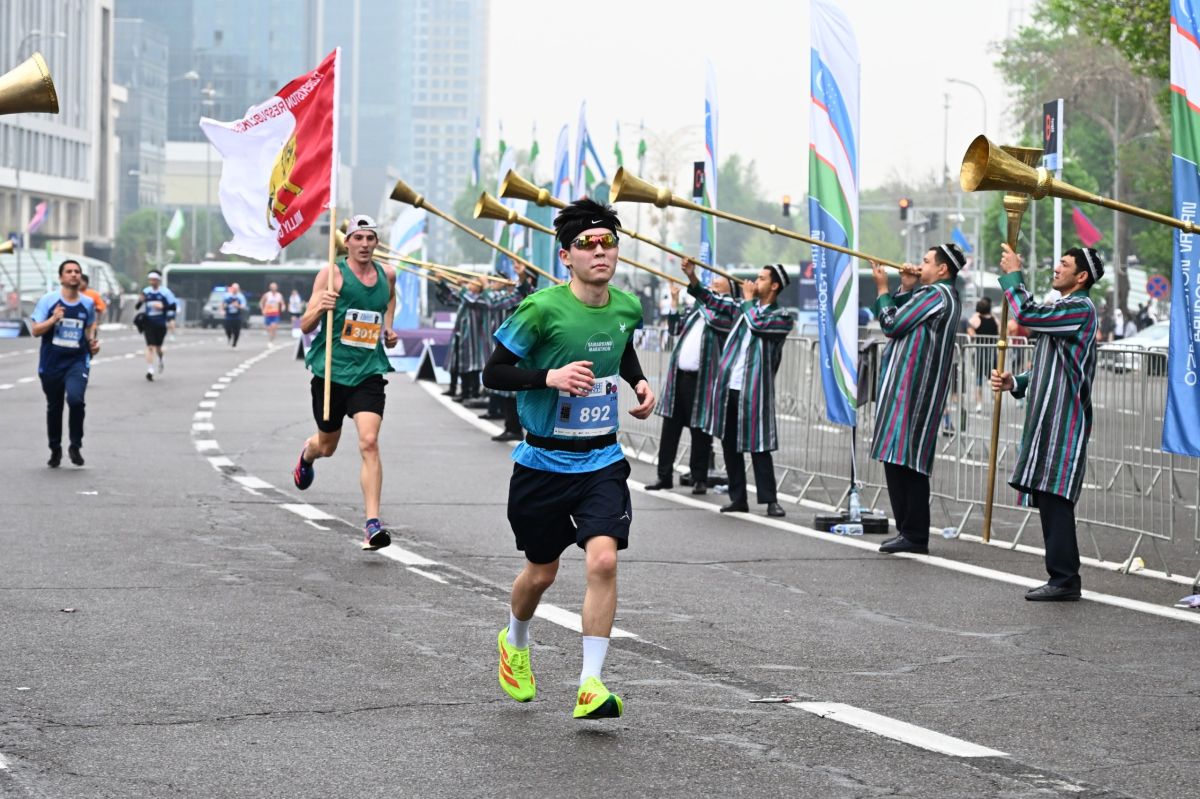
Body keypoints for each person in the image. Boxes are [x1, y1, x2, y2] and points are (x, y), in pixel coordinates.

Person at [482, 198, 654, 720]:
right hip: (543, 463)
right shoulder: (540, 310)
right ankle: (515, 640)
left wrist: (639, 382)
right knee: (541, 573)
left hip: (601, 459)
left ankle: (590, 684)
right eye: (587, 244)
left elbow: (620, 347)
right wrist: (549, 377)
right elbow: (493, 372)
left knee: (603, 560)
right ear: (566, 256)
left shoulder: (627, 307)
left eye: (608, 243)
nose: (600, 252)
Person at [990, 242, 1101, 601]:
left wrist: (1013, 274)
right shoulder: (1065, 307)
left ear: (1081, 277)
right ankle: (1061, 576)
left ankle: (1065, 578)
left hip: (1064, 420)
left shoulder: (1079, 308)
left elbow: (1027, 313)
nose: (1056, 268)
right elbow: (1047, 363)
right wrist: (1016, 382)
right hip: (1048, 419)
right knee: (1049, 497)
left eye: (1064, 264)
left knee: (1056, 498)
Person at [292, 214, 399, 550]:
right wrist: (318, 308)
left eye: (370, 238)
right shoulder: (332, 274)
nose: (364, 244)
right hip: (331, 373)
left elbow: (389, 298)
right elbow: (305, 325)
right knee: (327, 446)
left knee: (369, 441)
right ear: (347, 242)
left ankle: (372, 525)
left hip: (368, 371)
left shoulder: (387, 274)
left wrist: (388, 327)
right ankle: (307, 455)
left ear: (376, 242)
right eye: (358, 238)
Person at [869, 244, 964, 556]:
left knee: (906, 461)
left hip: (912, 389)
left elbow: (891, 324)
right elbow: (905, 318)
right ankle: (909, 531)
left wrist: (882, 289)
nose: (920, 265)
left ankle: (913, 533)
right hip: (913, 388)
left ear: (942, 269)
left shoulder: (935, 294)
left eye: (926, 261)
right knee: (900, 458)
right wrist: (907, 288)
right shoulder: (937, 295)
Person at [688, 261, 795, 517]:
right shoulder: (744, 308)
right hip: (729, 387)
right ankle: (738, 498)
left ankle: (770, 500)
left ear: (775, 286)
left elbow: (758, 324)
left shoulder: (781, 316)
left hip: (755, 389)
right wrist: (692, 276)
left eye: (762, 278)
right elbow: (712, 301)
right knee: (729, 444)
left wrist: (747, 301)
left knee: (760, 445)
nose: (755, 282)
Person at [645, 272, 733, 495]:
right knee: (670, 429)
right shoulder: (697, 310)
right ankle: (664, 476)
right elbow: (674, 329)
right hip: (679, 378)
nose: (713, 283)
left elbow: (715, 317)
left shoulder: (728, 311)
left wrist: (702, 296)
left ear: (730, 289)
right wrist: (674, 303)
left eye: (719, 282)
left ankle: (699, 477)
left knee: (700, 432)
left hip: (703, 382)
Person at [30, 260, 100, 467]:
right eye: (69, 271)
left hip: (77, 360)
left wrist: (92, 344)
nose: (74, 274)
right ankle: (55, 449)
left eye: (77, 271)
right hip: (51, 363)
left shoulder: (87, 303)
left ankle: (75, 446)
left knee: (76, 400)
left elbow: (89, 327)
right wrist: (53, 320)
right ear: (61, 277)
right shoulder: (48, 300)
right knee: (55, 407)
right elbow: (35, 330)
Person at [135, 270, 177, 381]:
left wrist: (163, 307)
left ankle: (160, 358)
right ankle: (150, 370)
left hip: (160, 323)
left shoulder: (165, 292)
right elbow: (137, 307)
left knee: (158, 347)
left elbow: (173, 307)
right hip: (148, 323)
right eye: (150, 280)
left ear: (158, 280)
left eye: (154, 280)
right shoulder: (146, 291)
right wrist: (141, 301)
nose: (152, 282)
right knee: (150, 346)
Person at [966, 297, 998, 412]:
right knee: (992, 376)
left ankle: (979, 403)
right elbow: (999, 329)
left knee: (979, 378)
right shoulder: (994, 319)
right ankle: (995, 397)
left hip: (980, 352)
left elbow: (970, 330)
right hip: (992, 351)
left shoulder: (976, 319)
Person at [222, 283, 248, 347]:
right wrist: (223, 309)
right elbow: (223, 304)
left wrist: (237, 306)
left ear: (238, 289)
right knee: (227, 328)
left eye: (236, 289)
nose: (235, 290)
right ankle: (229, 337)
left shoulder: (241, 297)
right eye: (234, 288)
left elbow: (243, 306)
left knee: (236, 330)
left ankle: (234, 342)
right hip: (229, 315)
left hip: (237, 315)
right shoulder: (227, 296)